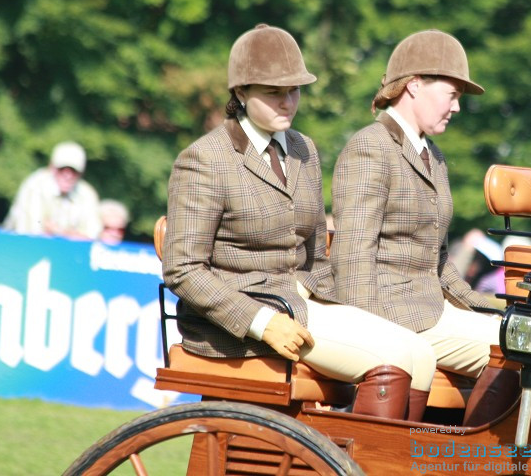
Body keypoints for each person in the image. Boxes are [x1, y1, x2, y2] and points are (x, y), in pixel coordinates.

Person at [163, 24, 436, 420]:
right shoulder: (205, 160)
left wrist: (348, 309)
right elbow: (183, 269)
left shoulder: (304, 149)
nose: (287, 102)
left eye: (294, 91)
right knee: (395, 358)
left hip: (304, 303)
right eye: (273, 92)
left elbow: (316, 258)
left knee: (422, 353)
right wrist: (263, 323)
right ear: (240, 93)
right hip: (238, 324)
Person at [331, 29, 519, 426]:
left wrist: (497, 308)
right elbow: (352, 258)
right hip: (393, 315)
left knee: (519, 334)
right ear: (414, 86)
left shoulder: (434, 157)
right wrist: (375, 339)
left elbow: (439, 264)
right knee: (516, 351)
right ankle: (468, 461)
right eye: (452, 95)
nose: (457, 108)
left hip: (431, 309)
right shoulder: (371, 148)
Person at [2, 141, 102, 239]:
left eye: (73, 170)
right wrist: (70, 234)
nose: (67, 175)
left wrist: (57, 231)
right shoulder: (35, 186)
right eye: (62, 169)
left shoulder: (87, 194)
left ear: (81, 173)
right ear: (51, 167)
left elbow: (91, 238)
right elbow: (30, 235)